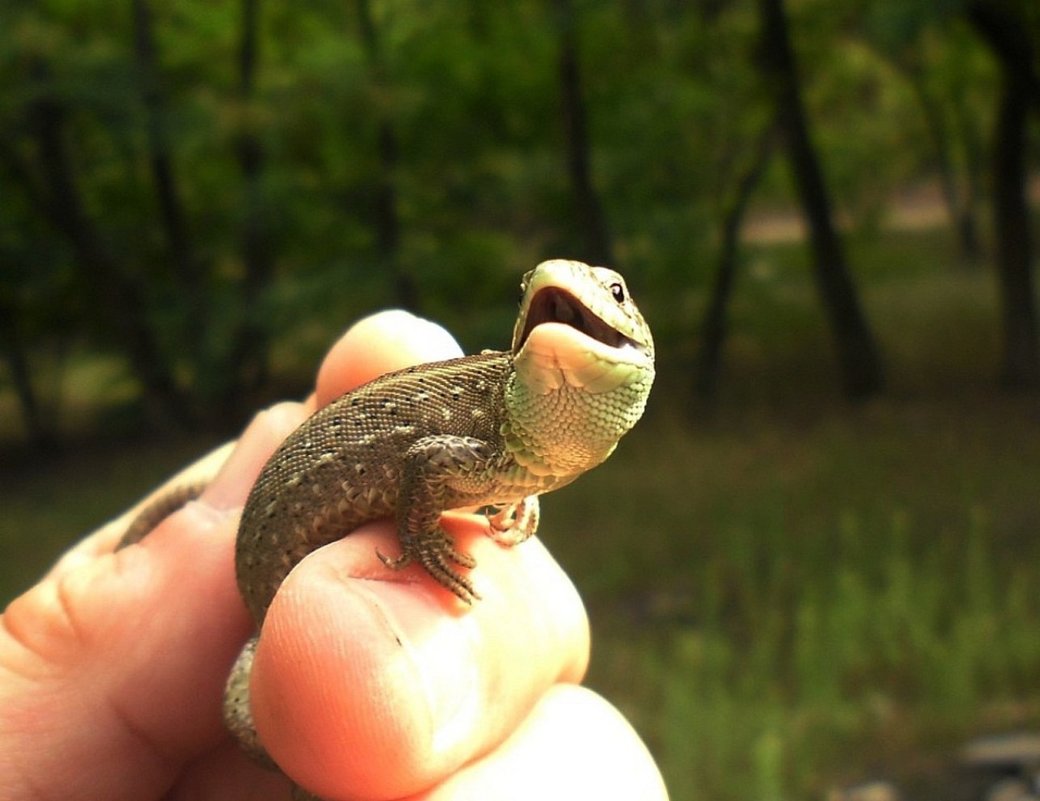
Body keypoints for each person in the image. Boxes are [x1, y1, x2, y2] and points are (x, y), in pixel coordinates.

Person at [0, 310, 669, 801]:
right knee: (252, 716)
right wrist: (425, 540)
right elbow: (431, 459)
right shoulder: (501, 429)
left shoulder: (525, 443)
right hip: (269, 553)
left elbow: (449, 467)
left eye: (611, 290)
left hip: (287, 600)